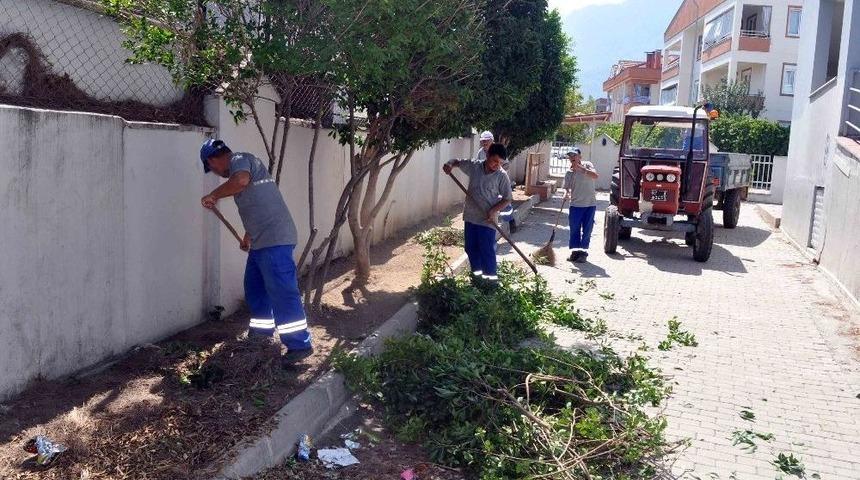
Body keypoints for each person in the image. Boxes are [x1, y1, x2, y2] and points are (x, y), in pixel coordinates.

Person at [199, 139, 313, 367]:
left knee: (282, 291)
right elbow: (259, 208)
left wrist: (214, 195)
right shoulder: (242, 171)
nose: (216, 174)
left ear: (212, 160)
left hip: (275, 240)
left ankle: (299, 345)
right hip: (261, 241)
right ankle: (261, 335)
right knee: (255, 289)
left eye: (212, 169)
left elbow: (240, 181)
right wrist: (247, 237)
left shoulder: (240, 160)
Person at [443, 143, 512, 282]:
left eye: (500, 163)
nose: (497, 165)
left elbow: (507, 198)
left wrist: (493, 210)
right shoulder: (474, 166)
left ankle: (491, 282)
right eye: (495, 161)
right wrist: (449, 164)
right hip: (471, 217)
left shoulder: (501, 176)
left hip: (487, 220)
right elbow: (457, 162)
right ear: (487, 155)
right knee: (471, 248)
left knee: (486, 250)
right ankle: (477, 279)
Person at [563, 148, 599, 263]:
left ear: (580, 157)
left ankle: (583, 253)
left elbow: (595, 176)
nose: (572, 157)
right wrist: (566, 194)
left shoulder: (588, 165)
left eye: (574, 155)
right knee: (574, 229)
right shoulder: (569, 173)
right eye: (570, 156)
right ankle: (575, 252)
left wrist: (581, 169)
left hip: (590, 204)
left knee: (587, 230)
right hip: (575, 205)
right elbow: (566, 188)